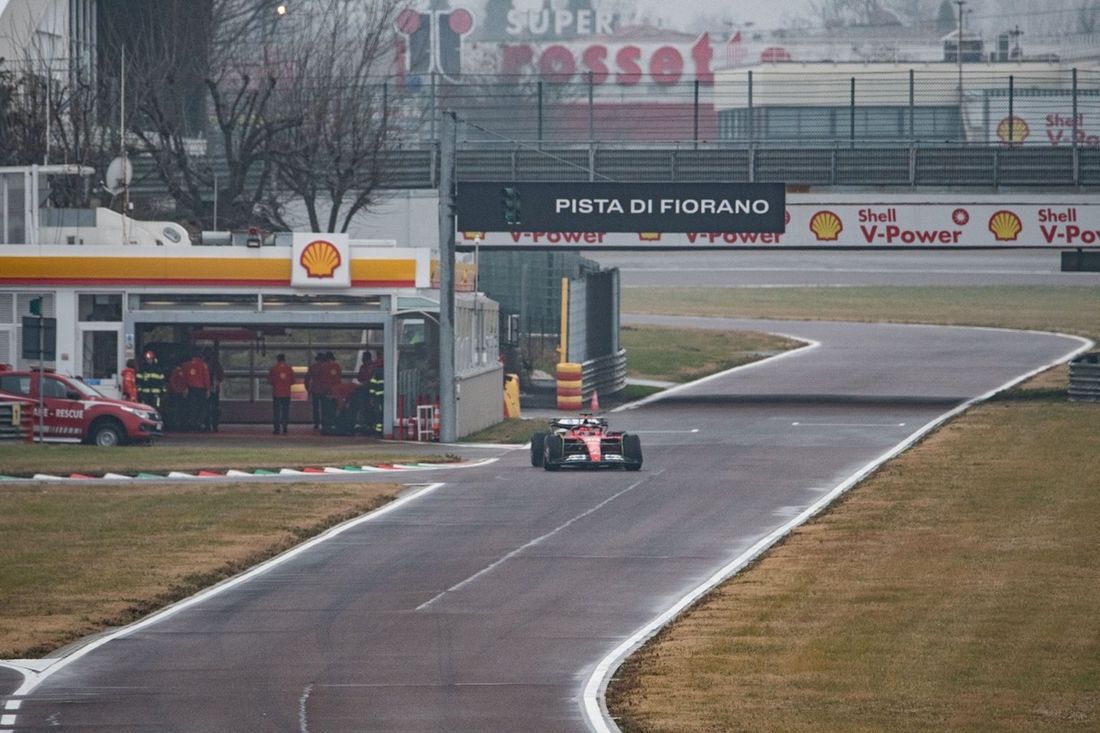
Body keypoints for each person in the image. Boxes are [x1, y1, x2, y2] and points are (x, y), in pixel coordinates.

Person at [183, 349, 212, 431]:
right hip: (201, 389)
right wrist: (208, 389)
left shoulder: (186, 365)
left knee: (191, 407)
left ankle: (191, 423)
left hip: (190, 389)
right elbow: (206, 378)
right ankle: (199, 423)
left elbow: (184, 378)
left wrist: (185, 387)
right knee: (201, 407)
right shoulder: (203, 365)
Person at [267, 353, 294, 435]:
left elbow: (270, 381)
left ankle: (277, 428)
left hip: (277, 393)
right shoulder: (289, 369)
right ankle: (285, 427)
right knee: (285, 411)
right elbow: (292, 381)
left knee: (276, 411)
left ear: (277, 359)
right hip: (286, 393)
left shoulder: (273, 369)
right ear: (284, 359)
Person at [318, 351, 343, 434]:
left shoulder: (323, 366)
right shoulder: (338, 366)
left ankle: (326, 428)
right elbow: (339, 378)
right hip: (336, 391)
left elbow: (321, 379)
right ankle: (335, 427)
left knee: (326, 411)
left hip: (326, 391)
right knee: (334, 409)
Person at [203, 347, 224, 432]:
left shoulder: (204, 364)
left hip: (205, 388)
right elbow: (221, 376)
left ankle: (207, 425)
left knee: (206, 407)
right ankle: (215, 425)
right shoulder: (216, 364)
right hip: (214, 388)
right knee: (215, 407)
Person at [305, 352, 326, 430]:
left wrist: (308, 388)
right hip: (324, 390)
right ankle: (325, 422)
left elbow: (307, 378)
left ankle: (316, 423)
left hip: (315, 389)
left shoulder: (313, 367)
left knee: (315, 408)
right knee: (325, 408)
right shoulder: (326, 367)